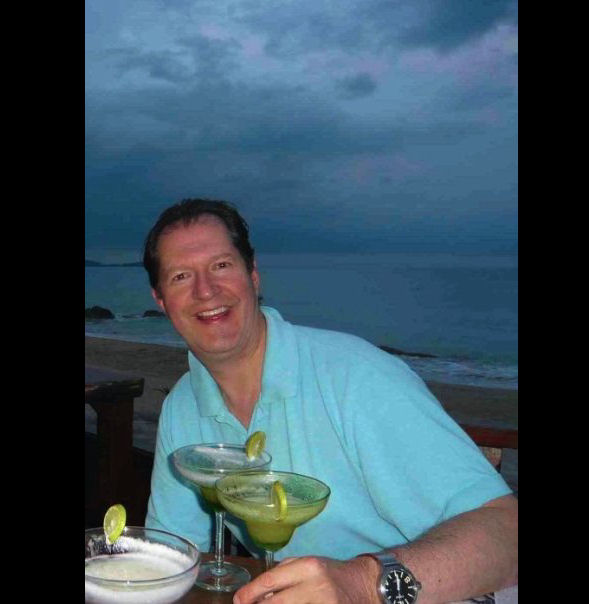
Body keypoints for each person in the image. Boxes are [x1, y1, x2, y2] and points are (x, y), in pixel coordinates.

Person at [143, 198, 518, 604]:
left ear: (253, 275)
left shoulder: (356, 376)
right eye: (181, 276)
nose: (205, 290)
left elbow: (507, 532)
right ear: (161, 300)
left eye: (221, 265)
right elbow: (171, 559)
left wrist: (362, 584)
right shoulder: (182, 407)